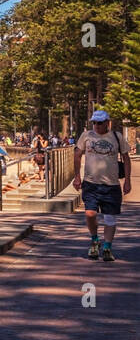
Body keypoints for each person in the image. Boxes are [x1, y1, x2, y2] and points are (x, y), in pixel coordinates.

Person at [74, 109, 132, 261]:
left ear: (107, 123)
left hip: (111, 185)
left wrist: (127, 180)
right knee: (90, 214)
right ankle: (94, 240)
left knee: (109, 218)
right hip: (91, 184)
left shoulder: (116, 137)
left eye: (100, 123)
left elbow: (126, 158)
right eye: (94, 123)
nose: (96, 126)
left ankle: (107, 247)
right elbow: (77, 155)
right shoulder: (86, 136)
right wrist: (77, 177)